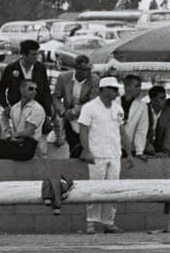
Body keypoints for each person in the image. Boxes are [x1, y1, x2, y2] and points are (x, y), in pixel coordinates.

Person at [78, 76, 126, 234]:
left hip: (115, 154)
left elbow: (122, 131)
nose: (115, 92)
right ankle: (91, 222)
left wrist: (129, 153)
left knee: (113, 189)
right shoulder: (89, 107)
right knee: (95, 188)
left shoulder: (118, 108)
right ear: (103, 90)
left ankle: (108, 222)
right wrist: (87, 151)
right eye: (113, 89)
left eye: (116, 89)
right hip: (97, 154)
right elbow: (83, 130)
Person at [0, 79, 44, 161]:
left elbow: (28, 132)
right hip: (16, 143)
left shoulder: (37, 108)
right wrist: (8, 132)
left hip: (29, 146)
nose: (34, 91)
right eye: (31, 88)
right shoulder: (15, 107)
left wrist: (12, 136)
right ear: (22, 89)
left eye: (36, 89)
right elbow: (4, 116)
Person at [0, 40, 52, 133]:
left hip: (36, 112)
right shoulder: (11, 69)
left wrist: (47, 114)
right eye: (33, 55)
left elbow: (46, 91)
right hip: (16, 111)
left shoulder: (40, 68)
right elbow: (0, 90)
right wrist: (5, 106)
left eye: (37, 54)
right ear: (23, 55)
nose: (36, 57)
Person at [51, 56, 99, 158]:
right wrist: (63, 112)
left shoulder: (95, 79)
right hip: (68, 119)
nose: (88, 72)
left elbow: (93, 101)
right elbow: (55, 97)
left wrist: (74, 112)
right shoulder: (63, 77)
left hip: (86, 119)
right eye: (85, 69)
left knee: (85, 147)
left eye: (89, 69)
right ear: (76, 69)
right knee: (73, 148)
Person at [119, 73, 149, 160]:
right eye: (136, 86)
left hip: (129, 148)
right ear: (127, 87)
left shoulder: (142, 106)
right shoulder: (114, 103)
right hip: (110, 147)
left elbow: (141, 129)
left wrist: (139, 151)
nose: (139, 89)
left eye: (140, 86)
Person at [144, 85, 170, 156]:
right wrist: (147, 146)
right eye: (162, 98)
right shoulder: (143, 110)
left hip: (160, 147)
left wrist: (166, 151)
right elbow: (140, 132)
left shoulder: (168, 111)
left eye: (165, 97)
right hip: (142, 147)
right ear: (153, 99)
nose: (165, 100)